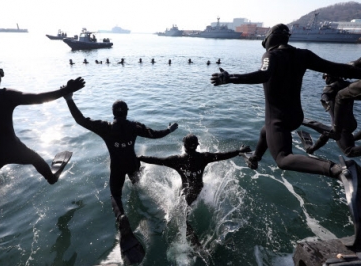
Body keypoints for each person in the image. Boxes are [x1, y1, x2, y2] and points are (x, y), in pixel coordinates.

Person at [210, 23, 361, 179]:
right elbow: (338, 68)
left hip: (278, 120)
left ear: (270, 38)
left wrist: (231, 78)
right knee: (265, 131)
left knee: (283, 158)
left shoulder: (271, 55)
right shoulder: (303, 54)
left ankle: (336, 169)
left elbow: (263, 74)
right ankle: (255, 157)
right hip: (296, 117)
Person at [0, 58, 85, 242]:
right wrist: (66, 91)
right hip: (12, 148)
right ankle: (51, 177)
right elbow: (37, 98)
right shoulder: (5, 95)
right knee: (35, 159)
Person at [63, 95, 178, 261]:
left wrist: (68, 99)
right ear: (127, 112)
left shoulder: (106, 127)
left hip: (117, 167)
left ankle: (121, 218)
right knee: (136, 184)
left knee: (115, 195)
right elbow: (154, 134)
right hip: (133, 164)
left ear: (113, 113)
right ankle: (142, 208)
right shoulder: (134, 126)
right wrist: (169, 129)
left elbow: (80, 119)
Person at [138, 134, 250, 245]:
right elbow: (222, 155)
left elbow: (157, 160)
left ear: (184, 146)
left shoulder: (177, 160)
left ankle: (196, 245)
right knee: (182, 212)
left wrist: (141, 158)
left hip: (188, 192)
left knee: (181, 218)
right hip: (199, 188)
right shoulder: (204, 157)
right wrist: (239, 151)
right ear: (196, 146)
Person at [301, 72, 361, 157]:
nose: (324, 79)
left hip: (341, 126)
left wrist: (326, 104)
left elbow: (325, 96)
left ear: (329, 76)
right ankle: (312, 149)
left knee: (349, 151)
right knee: (329, 132)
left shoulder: (330, 87)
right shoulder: (347, 85)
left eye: (325, 77)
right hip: (352, 123)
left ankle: (311, 148)